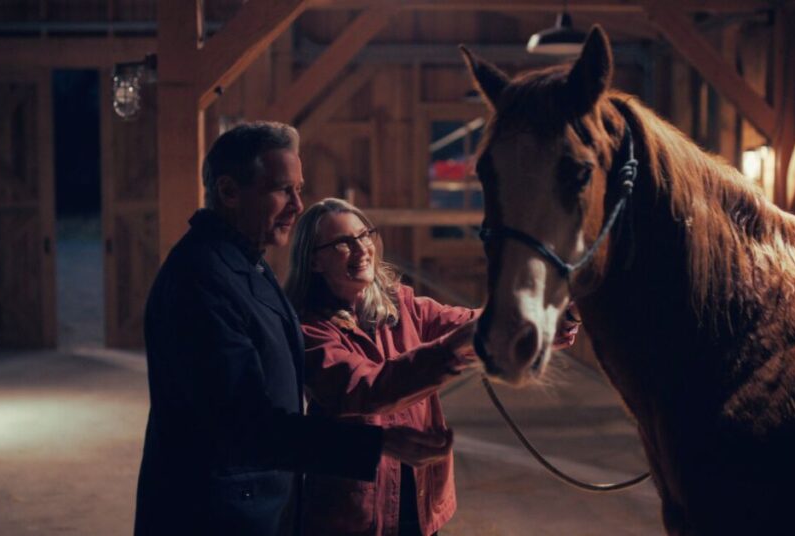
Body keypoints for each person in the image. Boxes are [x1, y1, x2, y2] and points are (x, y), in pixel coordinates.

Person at [134, 123, 462, 536]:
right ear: (229, 192)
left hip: (258, 507)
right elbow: (247, 427)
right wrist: (377, 444)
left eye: (298, 189)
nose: (296, 204)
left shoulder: (245, 264)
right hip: (215, 516)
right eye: (282, 190)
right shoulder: (201, 282)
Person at [284, 198, 580, 536]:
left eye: (364, 235)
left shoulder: (403, 306)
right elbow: (366, 388)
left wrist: (562, 313)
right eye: (342, 243)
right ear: (314, 261)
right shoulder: (309, 329)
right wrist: (452, 347)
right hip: (354, 513)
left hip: (421, 500)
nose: (361, 248)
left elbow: (480, 322)